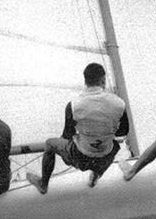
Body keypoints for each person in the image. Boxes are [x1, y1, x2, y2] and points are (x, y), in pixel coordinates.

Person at [26, 63, 129, 194]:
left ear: (85, 81)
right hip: (105, 158)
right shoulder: (119, 104)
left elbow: (68, 135)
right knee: (113, 145)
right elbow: (123, 131)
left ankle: (43, 184)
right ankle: (95, 176)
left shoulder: (73, 105)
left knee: (49, 144)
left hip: (81, 158)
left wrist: (66, 157)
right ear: (103, 80)